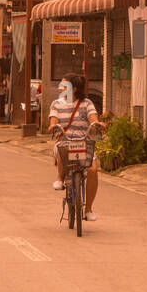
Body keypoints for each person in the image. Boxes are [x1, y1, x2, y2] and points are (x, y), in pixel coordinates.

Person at [47, 73, 104, 222]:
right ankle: (60, 177)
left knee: (92, 170)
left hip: (84, 143)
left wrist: (97, 124)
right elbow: (53, 120)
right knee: (61, 148)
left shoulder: (87, 104)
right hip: (65, 141)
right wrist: (53, 126)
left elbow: (93, 118)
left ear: (74, 89)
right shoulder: (56, 104)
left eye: (64, 85)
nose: (61, 88)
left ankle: (89, 209)